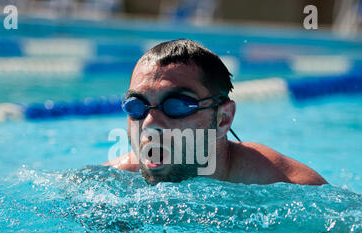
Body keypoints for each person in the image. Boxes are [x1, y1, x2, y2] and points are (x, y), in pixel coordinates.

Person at [103, 39, 327, 186]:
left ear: (223, 119)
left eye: (176, 105)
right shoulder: (115, 179)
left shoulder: (291, 186)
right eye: (136, 106)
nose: (150, 123)